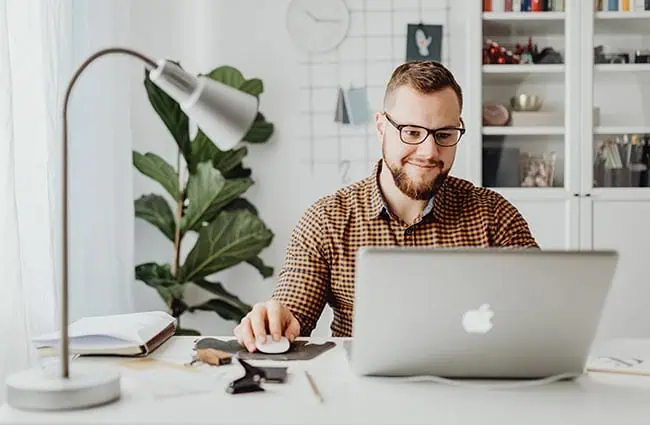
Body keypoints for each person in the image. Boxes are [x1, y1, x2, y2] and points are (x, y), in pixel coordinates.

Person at [234, 60, 539, 352]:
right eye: (412, 132)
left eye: (445, 135)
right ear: (381, 127)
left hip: (471, 391)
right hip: (362, 397)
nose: (429, 151)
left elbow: (543, 309)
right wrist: (274, 321)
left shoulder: (494, 215)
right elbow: (292, 313)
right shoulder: (327, 220)